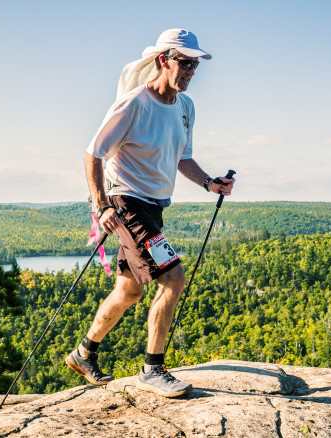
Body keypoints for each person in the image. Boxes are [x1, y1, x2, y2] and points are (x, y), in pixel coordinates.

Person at [66, 28, 235, 398]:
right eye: (185, 63)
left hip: (155, 207)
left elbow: (182, 158)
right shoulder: (133, 104)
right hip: (126, 202)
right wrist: (101, 205)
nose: (191, 71)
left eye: (195, 66)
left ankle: (83, 353)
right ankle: (152, 369)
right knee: (173, 279)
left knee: (128, 289)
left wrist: (210, 183)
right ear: (164, 60)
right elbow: (93, 153)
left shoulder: (186, 108)